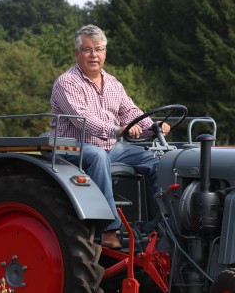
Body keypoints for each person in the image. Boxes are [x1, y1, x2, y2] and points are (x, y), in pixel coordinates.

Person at [50, 24, 170, 249]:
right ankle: (109, 230)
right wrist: (118, 130)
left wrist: (153, 125)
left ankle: (160, 225)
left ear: (105, 52)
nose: (93, 55)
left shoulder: (113, 83)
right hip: (71, 147)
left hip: (110, 146)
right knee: (97, 156)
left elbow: (131, 111)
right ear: (77, 53)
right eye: (87, 49)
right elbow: (81, 119)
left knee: (159, 162)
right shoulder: (66, 83)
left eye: (98, 49)